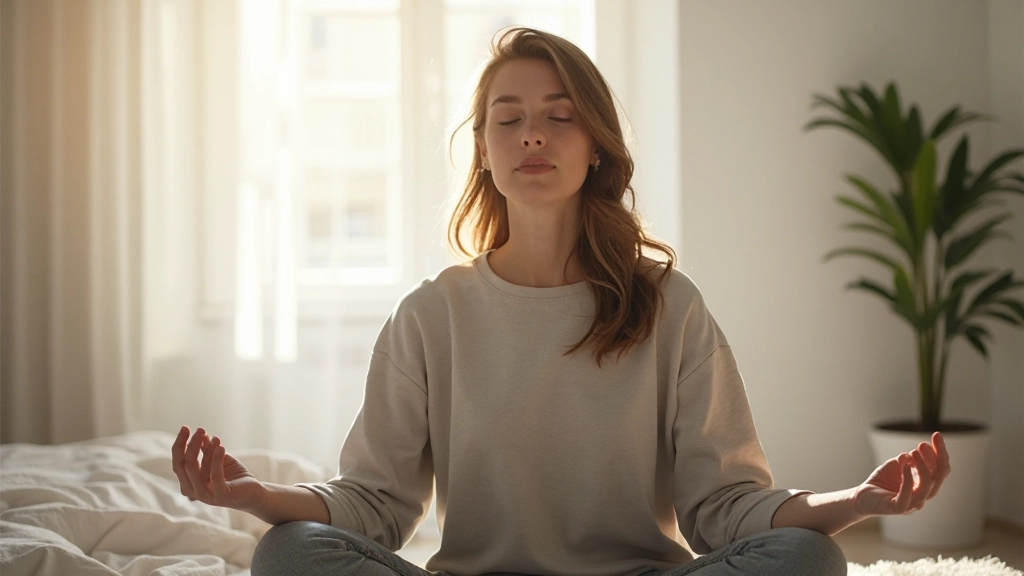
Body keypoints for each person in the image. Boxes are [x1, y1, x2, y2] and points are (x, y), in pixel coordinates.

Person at [171, 27, 950, 576]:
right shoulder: (431, 316)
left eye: (559, 115)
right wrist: (256, 496)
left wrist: (854, 501)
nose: (532, 135)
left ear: (596, 144)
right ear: (484, 151)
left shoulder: (669, 306)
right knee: (288, 554)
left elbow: (724, 508)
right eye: (509, 119)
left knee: (809, 558)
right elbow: (374, 504)